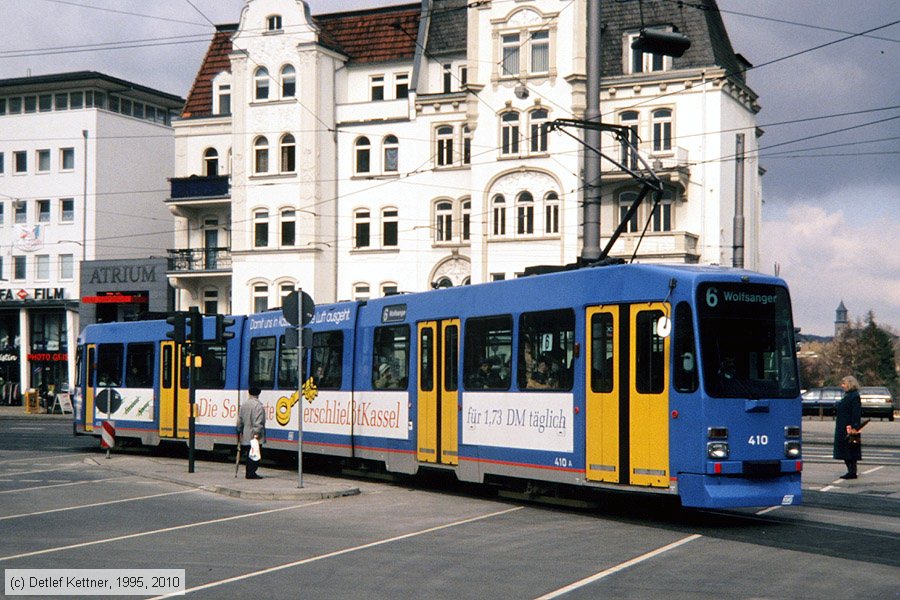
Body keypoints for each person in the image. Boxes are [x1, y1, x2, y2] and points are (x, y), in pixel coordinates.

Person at [833, 375, 862, 479]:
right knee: (846, 448)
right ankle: (851, 470)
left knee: (850, 448)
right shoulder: (847, 395)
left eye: (844, 384)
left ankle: (852, 471)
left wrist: (855, 427)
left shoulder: (854, 396)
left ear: (850, 384)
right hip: (843, 425)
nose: (842, 386)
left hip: (849, 427)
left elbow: (856, 413)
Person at [237, 386, 267, 479]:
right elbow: (259, 421)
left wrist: (240, 430)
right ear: (258, 394)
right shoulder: (258, 406)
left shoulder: (244, 405)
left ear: (249, 393)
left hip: (246, 433)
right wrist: (257, 433)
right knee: (255, 455)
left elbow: (239, 420)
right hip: (254, 435)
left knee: (249, 454)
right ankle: (251, 473)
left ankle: (249, 472)